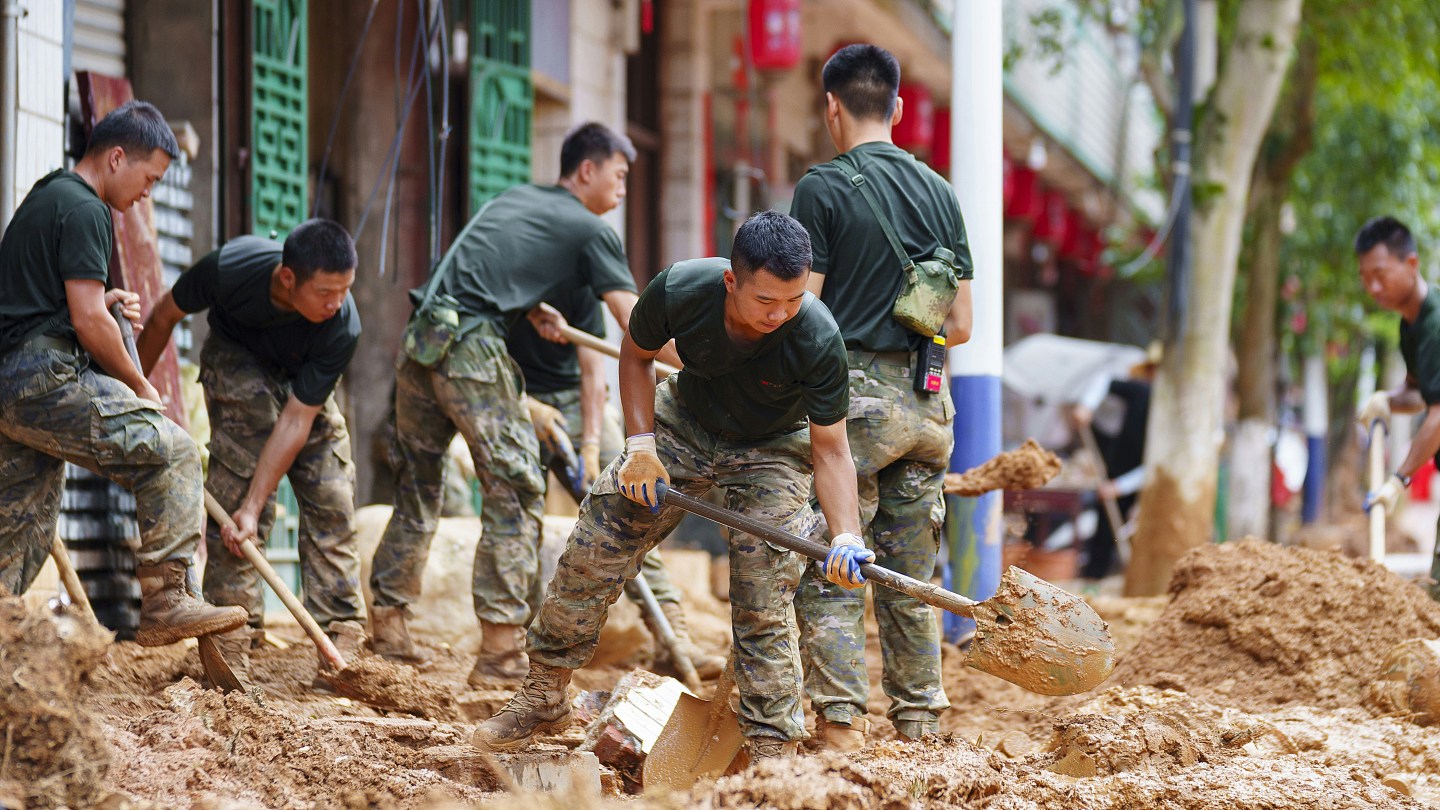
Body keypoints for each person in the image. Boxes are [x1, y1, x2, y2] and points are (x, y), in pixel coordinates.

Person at [471, 211, 868, 761]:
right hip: (684, 419)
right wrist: (639, 448)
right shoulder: (681, 288)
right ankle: (543, 692)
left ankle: (772, 746)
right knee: (596, 542)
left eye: (793, 301)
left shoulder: (819, 337)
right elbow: (635, 356)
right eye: (766, 301)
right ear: (732, 280)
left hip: (772, 447)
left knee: (763, 591)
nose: (780, 315)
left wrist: (845, 534)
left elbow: (831, 449)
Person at [368, 122, 677, 682]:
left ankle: (388, 625)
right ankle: (501, 651)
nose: (624, 189)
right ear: (587, 170)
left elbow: (487, 270)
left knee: (418, 483)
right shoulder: (590, 229)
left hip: (422, 337)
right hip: (469, 347)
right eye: (620, 175)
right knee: (514, 486)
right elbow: (638, 324)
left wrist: (530, 308)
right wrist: (703, 363)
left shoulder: (517, 199)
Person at [0, 101, 247, 644]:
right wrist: (141, 387)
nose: (147, 195)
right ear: (116, 157)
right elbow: (90, 322)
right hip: (44, 378)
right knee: (175, 451)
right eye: (149, 178)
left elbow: (56, 306)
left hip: (11, 386)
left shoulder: (49, 194)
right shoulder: (87, 209)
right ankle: (168, 600)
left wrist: (100, 301)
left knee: (22, 522)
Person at [788, 43, 973, 750]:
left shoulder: (822, 188)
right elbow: (960, 325)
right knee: (909, 577)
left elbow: (803, 315)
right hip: (930, 407)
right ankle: (920, 726)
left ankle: (839, 731)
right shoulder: (942, 193)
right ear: (897, 108)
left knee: (835, 561)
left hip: (852, 410)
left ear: (830, 106)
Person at [137, 219, 366, 683]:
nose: (336, 303)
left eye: (345, 290)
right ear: (287, 279)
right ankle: (233, 637)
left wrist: (256, 503)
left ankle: (341, 633)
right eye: (325, 291)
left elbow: (298, 419)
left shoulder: (342, 325)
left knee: (333, 492)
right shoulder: (230, 268)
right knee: (238, 486)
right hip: (237, 356)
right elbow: (164, 315)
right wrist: (132, 387)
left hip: (300, 380)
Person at [505, 285, 726, 680]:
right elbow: (486, 375)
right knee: (518, 521)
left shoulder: (578, 288)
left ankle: (674, 639)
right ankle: (508, 644)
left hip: (576, 400)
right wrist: (527, 408)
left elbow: (593, 374)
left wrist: (591, 444)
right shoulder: (495, 291)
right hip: (510, 404)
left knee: (634, 511)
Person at [1356, 216, 1440, 601]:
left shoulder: (1436, 323)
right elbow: (1418, 392)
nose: (1373, 287)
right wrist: (1388, 400)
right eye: (1365, 277)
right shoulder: (1412, 327)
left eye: (1380, 274)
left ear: (1411, 264)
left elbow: (1438, 416)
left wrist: (1399, 479)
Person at [1070, 345, 1156, 581]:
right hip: (1121, 468)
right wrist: (1087, 406)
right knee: (1105, 532)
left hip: (1146, 482)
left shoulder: (1173, 410)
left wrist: (1121, 486)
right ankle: (1094, 582)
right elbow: (1105, 381)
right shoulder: (1140, 392)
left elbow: (1157, 461)